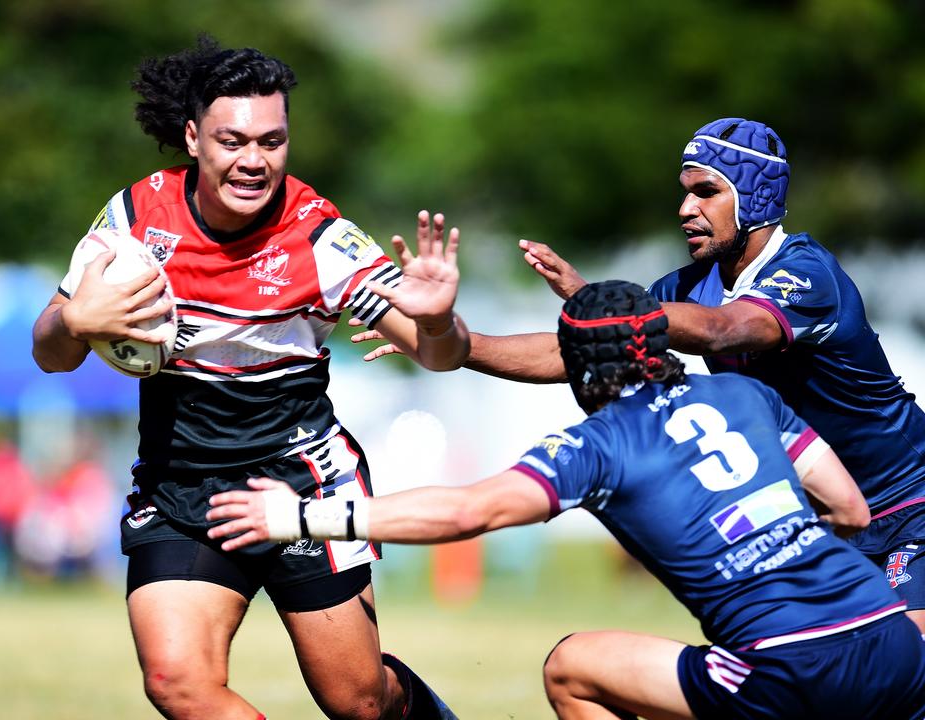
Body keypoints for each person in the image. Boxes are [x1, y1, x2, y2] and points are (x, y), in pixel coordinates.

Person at [211, 281, 925, 719]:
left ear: (578, 369)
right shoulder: (743, 392)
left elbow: (468, 512)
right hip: (893, 641)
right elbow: (852, 510)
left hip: (788, 670)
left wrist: (300, 515)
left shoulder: (596, 446)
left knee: (571, 668)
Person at [31, 37, 468, 720]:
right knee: (178, 683)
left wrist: (438, 320)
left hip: (300, 484)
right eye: (232, 141)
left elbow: (438, 355)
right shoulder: (136, 219)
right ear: (192, 137)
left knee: (358, 702)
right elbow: (50, 352)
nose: (253, 161)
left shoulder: (320, 239)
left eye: (272, 141)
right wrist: (75, 320)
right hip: (181, 488)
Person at [357, 118, 925, 632]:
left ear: (753, 196)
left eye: (706, 192)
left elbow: (726, 330)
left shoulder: (805, 273)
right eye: (684, 193)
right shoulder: (684, 289)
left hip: (908, 504)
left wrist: (601, 307)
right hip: (821, 518)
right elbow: (572, 355)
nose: (685, 209)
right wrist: (451, 342)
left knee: (907, 667)